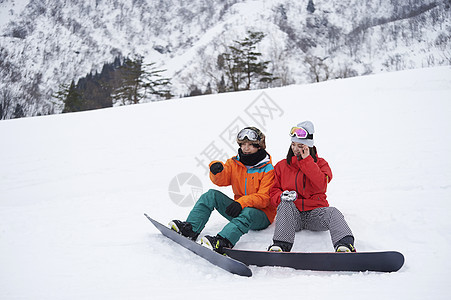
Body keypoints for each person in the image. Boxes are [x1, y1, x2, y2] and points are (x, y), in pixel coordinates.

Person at [170, 127, 276, 254]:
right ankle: (190, 229)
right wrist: (216, 171)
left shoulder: (268, 169)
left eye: (251, 145)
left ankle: (223, 241)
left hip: (261, 216)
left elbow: (264, 198)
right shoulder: (234, 163)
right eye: (243, 144)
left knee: (248, 212)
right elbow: (222, 179)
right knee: (211, 195)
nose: (246, 148)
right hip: (239, 208)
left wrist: (241, 203)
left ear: (259, 147)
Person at [268, 121, 356, 252]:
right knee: (285, 204)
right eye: (293, 144)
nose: (295, 149)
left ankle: (345, 245)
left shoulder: (321, 164)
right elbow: (273, 190)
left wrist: (307, 161)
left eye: (300, 145)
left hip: (315, 215)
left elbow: (321, 186)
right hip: (292, 216)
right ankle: (280, 246)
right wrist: (281, 196)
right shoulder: (282, 166)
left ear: (309, 146)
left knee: (334, 212)